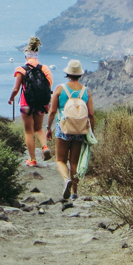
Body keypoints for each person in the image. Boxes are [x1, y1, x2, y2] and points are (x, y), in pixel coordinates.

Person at [46, 59, 94, 201]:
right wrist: (91, 132)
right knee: (74, 161)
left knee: (60, 160)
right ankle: (74, 192)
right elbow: (91, 114)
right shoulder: (86, 91)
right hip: (79, 130)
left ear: (67, 73)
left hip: (63, 128)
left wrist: (48, 128)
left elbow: (52, 111)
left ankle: (66, 179)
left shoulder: (60, 89)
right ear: (80, 75)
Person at [8, 37, 54, 167]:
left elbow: (16, 88)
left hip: (26, 104)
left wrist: (11, 98)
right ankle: (45, 147)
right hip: (40, 103)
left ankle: (33, 160)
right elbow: (48, 86)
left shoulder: (21, 69)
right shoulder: (45, 69)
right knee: (38, 128)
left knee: (28, 131)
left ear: (26, 55)